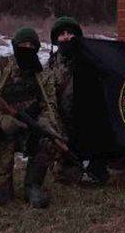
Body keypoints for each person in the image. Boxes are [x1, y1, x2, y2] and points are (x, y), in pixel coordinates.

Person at [0, 26, 62, 208]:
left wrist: (45, 122)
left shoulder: (42, 75)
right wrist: (1, 119)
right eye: (22, 44)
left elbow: (50, 106)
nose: (27, 48)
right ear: (14, 46)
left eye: (31, 45)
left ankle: (32, 185)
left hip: (27, 129)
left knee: (49, 137)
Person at [45, 16, 108, 184]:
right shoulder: (51, 65)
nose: (66, 37)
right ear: (56, 39)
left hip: (90, 123)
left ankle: (97, 164)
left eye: (70, 34)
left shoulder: (90, 58)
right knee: (67, 176)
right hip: (64, 125)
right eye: (62, 34)